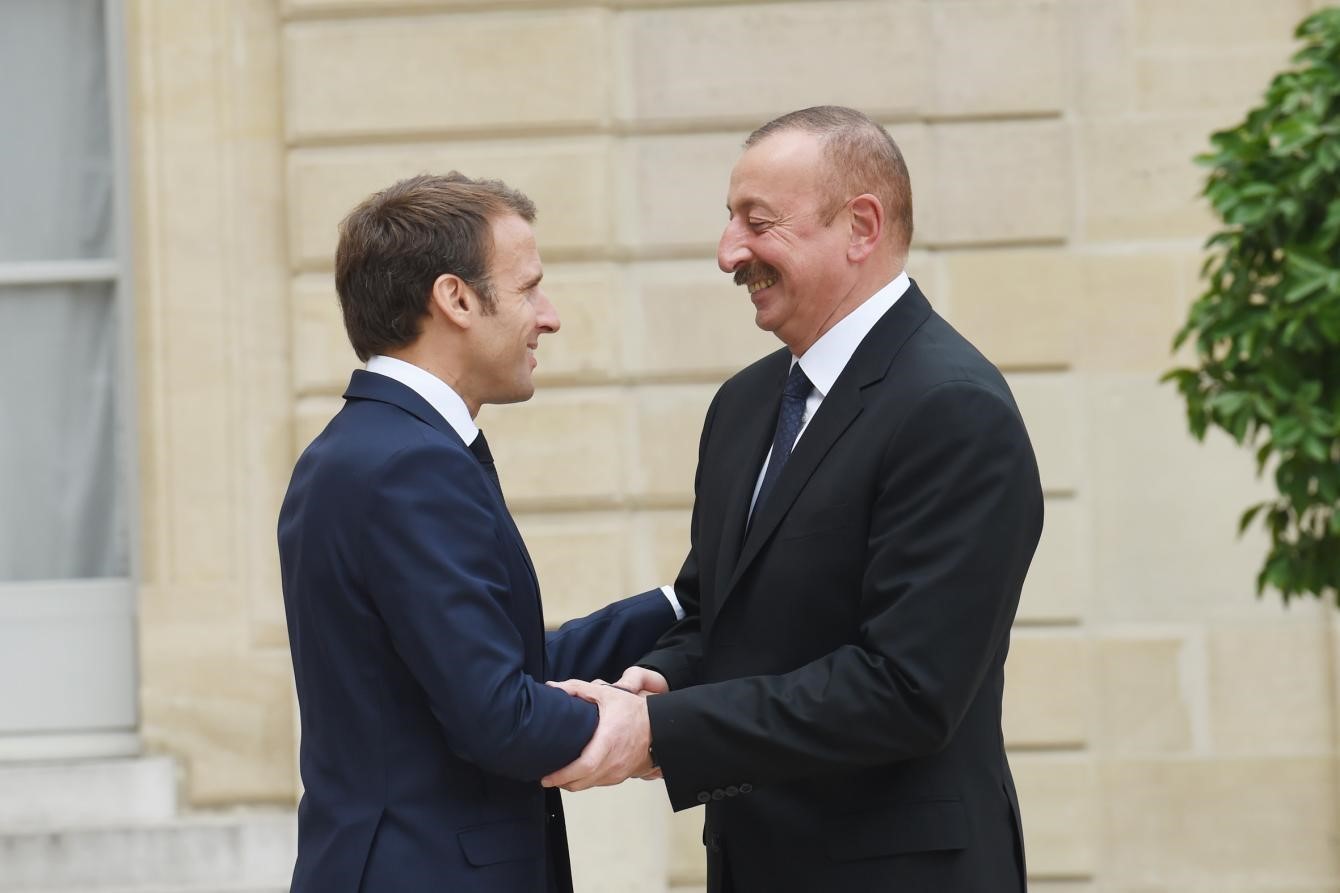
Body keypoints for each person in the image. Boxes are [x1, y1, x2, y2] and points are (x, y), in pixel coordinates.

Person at [544, 106, 1044, 892]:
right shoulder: (744, 405)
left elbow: (909, 688)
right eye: (730, 220)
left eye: (758, 222)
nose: (727, 252)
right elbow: (715, 612)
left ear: (861, 226)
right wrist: (661, 679)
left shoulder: (953, 407)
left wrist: (662, 732)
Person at [277, 172, 679, 893]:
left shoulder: (372, 448)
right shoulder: (409, 463)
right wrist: (656, 727)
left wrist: (677, 604)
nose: (548, 316)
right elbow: (499, 715)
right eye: (529, 287)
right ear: (455, 298)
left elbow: (491, 666)